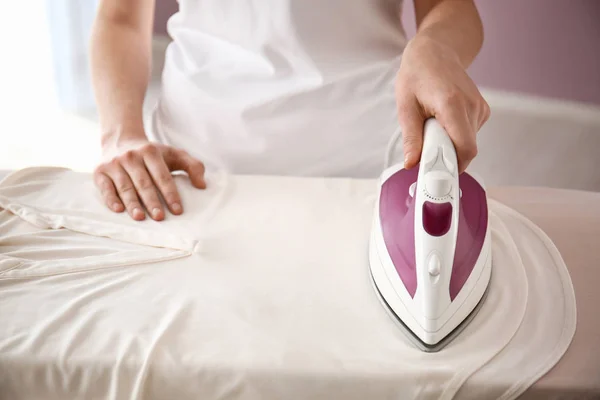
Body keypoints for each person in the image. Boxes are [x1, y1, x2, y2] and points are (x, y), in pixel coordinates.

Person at [90, 0, 490, 222]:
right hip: (190, 168)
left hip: (373, 160)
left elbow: (451, 7)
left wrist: (435, 45)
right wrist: (120, 134)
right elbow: (120, 17)